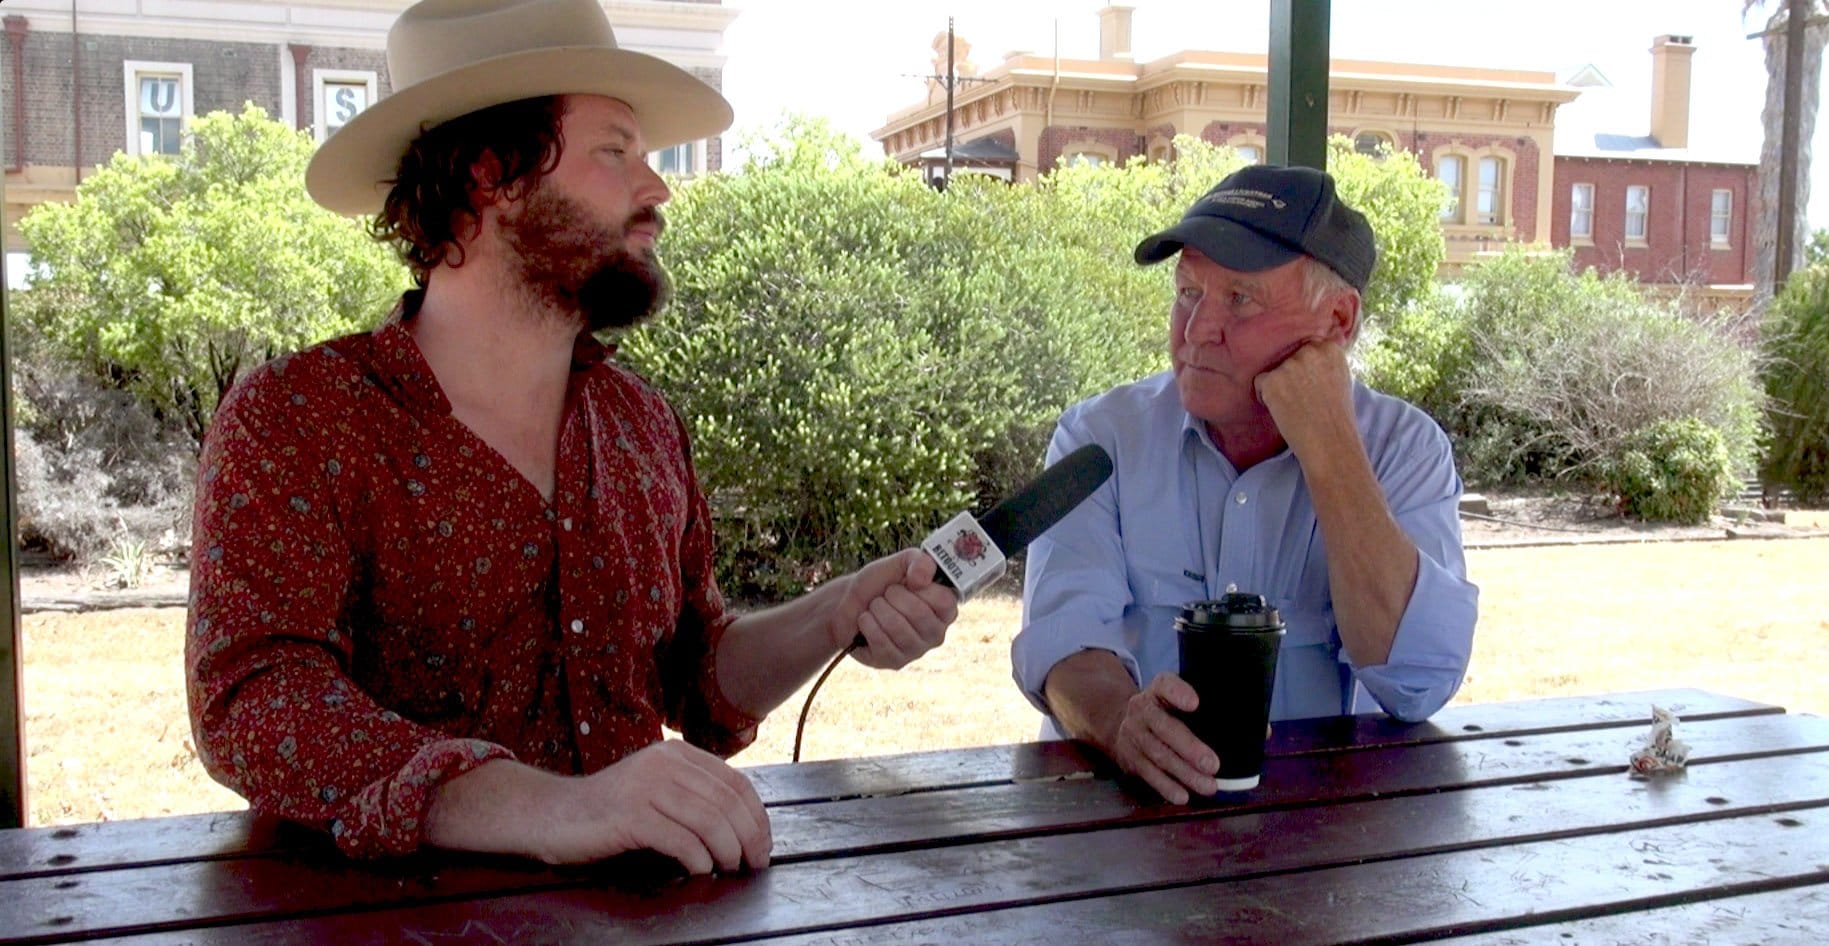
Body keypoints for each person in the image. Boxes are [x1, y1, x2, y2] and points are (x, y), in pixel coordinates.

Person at [185, 0, 958, 875]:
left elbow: (696, 675)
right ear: (491, 174)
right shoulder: (301, 417)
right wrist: (552, 807)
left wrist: (837, 609)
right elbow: (255, 702)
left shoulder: (642, 423)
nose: (657, 189)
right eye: (616, 150)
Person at [1010, 164, 1479, 805]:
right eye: (1186, 293)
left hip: (1328, 840)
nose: (1197, 327)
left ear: (1337, 321)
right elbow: (1064, 644)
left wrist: (1331, 449)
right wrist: (1123, 725)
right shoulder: (1103, 437)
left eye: (1240, 299)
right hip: (1127, 832)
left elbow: (1418, 682)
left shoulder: (1404, 449)